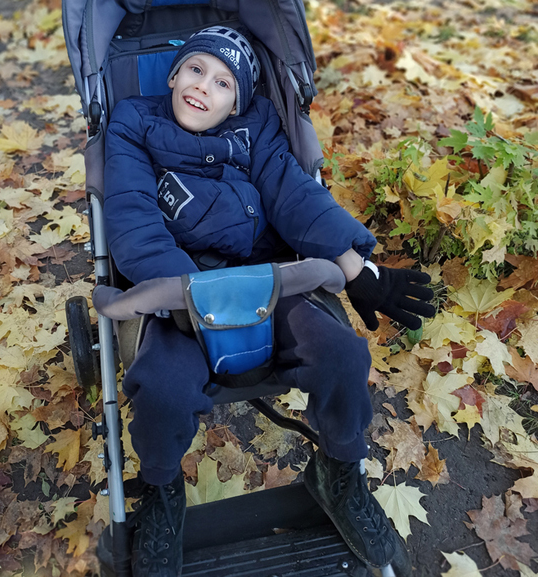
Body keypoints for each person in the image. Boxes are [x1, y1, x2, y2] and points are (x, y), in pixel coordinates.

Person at [103, 26, 434, 576]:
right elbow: (133, 218)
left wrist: (357, 269)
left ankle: (338, 472)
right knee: (161, 387)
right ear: (174, 74)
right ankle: (161, 490)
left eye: (223, 82)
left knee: (342, 355)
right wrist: (191, 298)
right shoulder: (135, 122)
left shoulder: (255, 127)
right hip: (175, 291)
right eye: (196, 69)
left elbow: (293, 194)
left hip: (265, 280)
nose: (203, 86)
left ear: (238, 103)